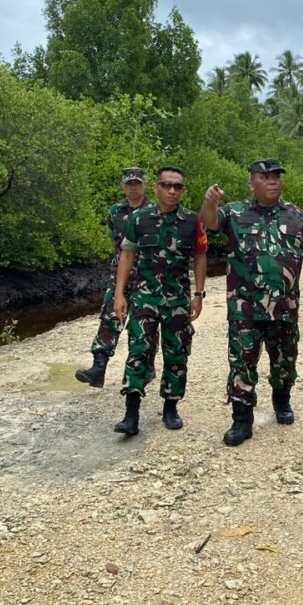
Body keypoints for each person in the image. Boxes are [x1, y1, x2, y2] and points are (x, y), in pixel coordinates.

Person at [200, 158, 303, 447]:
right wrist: (209, 201)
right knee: (241, 362)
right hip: (244, 307)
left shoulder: (298, 216)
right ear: (252, 183)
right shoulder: (235, 213)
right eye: (265, 176)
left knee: (284, 360)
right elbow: (209, 222)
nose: (272, 181)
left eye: (276, 176)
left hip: (285, 307)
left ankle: (281, 400)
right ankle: (241, 420)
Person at [112, 166, 208, 436]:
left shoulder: (192, 220)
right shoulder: (140, 218)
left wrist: (199, 294)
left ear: (183, 190)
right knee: (138, 350)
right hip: (145, 297)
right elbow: (127, 255)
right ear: (156, 188)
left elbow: (200, 256)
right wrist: (119, 294)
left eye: (177, 186)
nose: (172, 190)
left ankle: (170, 406)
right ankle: (131, 414)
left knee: (176, 353)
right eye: (166, 185)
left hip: (177, 299)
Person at [76, 167, 155, 388]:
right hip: (120, 273)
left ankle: (145, 368)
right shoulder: (115, 211)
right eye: (129, 183)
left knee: (145, 323)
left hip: (148, 275)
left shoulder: (154, 210)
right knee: (110, 316)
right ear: (123, 186)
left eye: (137, 183)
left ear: (144, 185)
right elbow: (115, 242)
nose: (133, 187)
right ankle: (98, 368)